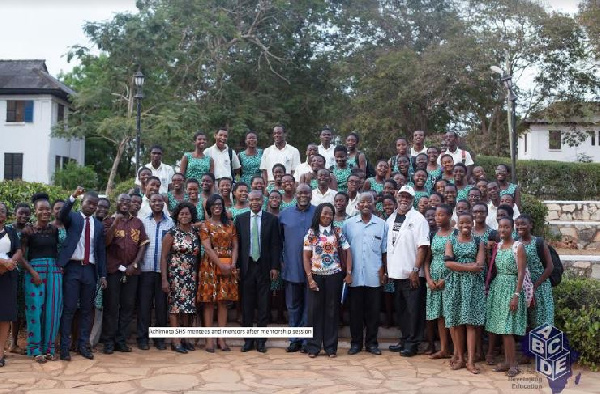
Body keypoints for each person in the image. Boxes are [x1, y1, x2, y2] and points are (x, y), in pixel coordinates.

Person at [58, 187, 107, 361]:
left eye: (95, 204)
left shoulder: (99, 225)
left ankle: (83, 346)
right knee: (70, 309)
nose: (92, 206)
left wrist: (103, 275)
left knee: (87, 310)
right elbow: (61, 215)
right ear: (82, 202)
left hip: (89, 271)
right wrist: (72, 196)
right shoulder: (72, 218)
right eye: (89, 203)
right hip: (72, 268)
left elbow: (101, 252)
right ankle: (64, 348)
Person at [102, 194, 149, 354]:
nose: (125, 204)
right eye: (122, 200)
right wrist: (115, 223)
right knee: (111, 307)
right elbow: (106, 242)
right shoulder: (108, 221)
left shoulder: (137, 223)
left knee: (128, 307)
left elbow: (143, 244)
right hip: (113, 270)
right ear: (117, 202)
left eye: (128, 202)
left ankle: (121, 341)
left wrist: (134, 263)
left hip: (132, 271)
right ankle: (108, 342)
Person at [386, 185, 430, 357]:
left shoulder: (419, 219)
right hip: (396, 274)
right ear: (397, 197)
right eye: (402, 196)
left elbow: (423, 247)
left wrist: (415, 269)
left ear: (413, 200)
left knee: (414, 311)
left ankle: (413, 343)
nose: (404, 199)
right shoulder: (391, 218)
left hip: (412, 275)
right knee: (402, 310)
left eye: (408, 197)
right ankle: (404, 339)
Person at [236, 190, 282, 353]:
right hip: (247, 266)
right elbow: (238, 245)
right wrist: (237, 267)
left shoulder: (271, 219)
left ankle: (261, 341)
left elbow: (276, 244)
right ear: (248, 201)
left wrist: (275, 267)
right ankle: (248, 341)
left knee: (264, 306)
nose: (255, 202)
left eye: (257, 199)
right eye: (252, 200)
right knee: (247, 306)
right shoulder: (240, 219)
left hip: (264, 266)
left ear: (263, 201)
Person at [303, 203, 351, 358]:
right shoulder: (311, 232)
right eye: (324, 213)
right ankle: (313, 347)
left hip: (334, 276)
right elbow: (305, 256)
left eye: (330, 214)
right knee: (314, 312)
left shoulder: (337, 232)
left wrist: (349, 272)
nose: (327, 216)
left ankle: (331, 348)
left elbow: (347, 251)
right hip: (316, 276)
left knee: (332, 311)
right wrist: (310, 277)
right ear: (318, 214)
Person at [20, 194, 62, 363]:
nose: (45, 212)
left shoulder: (54, 230)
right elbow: (20, 256)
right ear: (35, 212)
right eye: (41, 209)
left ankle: (49, 349)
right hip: (34, 272)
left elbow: (58, 251)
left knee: (52, 311)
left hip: (53, 272)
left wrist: (59, 268)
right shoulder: (28, 231)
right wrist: (33, 272)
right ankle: (35, 349)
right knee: (35, 311)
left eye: (47, 209)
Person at [343, 193, 387, 355]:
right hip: (354, 276)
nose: (366, 204)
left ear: (374, 204)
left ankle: (371, 343)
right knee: (355, 312)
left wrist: (384, 271)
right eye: (363, 202)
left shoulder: (382, 225)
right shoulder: (348, 224)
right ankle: (355, 344)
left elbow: (384, 251)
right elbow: (344, 250)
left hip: (374, 275)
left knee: (373, 313)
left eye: (369, 201)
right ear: (358, 205)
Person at [443, 212, 486, 374]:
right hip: (455, 285)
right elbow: (448, 264)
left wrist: (459, 265)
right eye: (461, 223)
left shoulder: (478, 241)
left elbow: (480, 265)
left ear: (472, 223)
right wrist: (469, 267)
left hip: (473, 286)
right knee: (456, 322)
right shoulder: (451, 240)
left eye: (468, 223)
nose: (465, 226)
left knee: (471, 324)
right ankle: (460, 358)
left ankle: (470, 361)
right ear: (457, 224)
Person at [485, 217, 527, 378]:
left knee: (508, 327)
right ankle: (508, 362)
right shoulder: (498, 246)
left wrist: (516, 295)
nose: (503, 230)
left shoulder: (518, 247)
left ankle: (513, 364)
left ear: (512, 228)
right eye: (500, 227)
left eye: (506, 227)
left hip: (511, 288)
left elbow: (521, 272)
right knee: (502, 327)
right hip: (498, 289)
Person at [198, 194, 239, 352]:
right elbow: (207, 248)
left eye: (220, 204)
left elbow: (235, 245)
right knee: (208, 303)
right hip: (210, 265)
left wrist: (233, 263)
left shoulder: (230, 224)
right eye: (214, 204)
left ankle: (221, 338)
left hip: (228, 265)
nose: (217, 206)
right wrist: (220, 264)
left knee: (223, 302)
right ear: (209, 207)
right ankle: (209, 340)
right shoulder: (205, 225)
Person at [279, 184, 316, 352]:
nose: (303, 195)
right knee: (293, 306)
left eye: (306, 192)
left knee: (309, 307)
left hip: (314, 270)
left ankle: (307, 341)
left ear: (311, 195)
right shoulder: (284, 215)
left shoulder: (318, 213)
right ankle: (295, 339)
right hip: (292, 267)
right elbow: (279, 241)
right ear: (295, 194)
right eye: (300, 192)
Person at [160, 202, 200, 354]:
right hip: (176, 275)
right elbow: (163, 257)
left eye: (187, 214)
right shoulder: (171, 233)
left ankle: (186, 338)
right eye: (182, 214)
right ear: (177, 215)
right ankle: (175, 341)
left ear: (192, 216)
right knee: (175, 308)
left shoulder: (195, 233)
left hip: (192, 275)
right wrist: (164, 279)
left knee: (188, 308)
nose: (184, 216)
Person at [138, 193, 174, 351]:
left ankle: (159, 339)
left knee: (161, 307)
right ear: (150, 203)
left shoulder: (171, 223)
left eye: (160, 200)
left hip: (162, 272)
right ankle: (142, 339)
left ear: (164, 203)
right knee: (144, 307)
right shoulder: (143, 221)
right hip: (145, 270)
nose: (157, 203)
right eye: (154, 201)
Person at [515, 215, 554, 328]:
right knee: (527, 322)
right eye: (517, 224)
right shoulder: (516, 243)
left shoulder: (539, 242)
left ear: (530, 225)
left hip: (541, 286)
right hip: (523, 286)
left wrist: (535, 285)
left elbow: (550, 267)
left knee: (544, 320)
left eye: (523, 224)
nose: (520, 227)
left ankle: (545, 344)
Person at [0, 202, 23, 367]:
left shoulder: (11, 231)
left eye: (2, 210)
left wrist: (11, 262)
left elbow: (19, 251)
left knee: (5, 316)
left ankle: (0, 353)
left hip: (7, 276)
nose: (0, 212)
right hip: (4, 267)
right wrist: (2, 261)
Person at [7, 202, 30, 356]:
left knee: (19, 309)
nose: (23, 216)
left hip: (25, 272)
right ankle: (5, 341)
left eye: (27, 213)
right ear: (15, 212)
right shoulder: (8, 228)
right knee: (6, 307)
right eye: (21, 212)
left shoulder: (30, 229)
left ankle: (13, 342)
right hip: (8, 270)